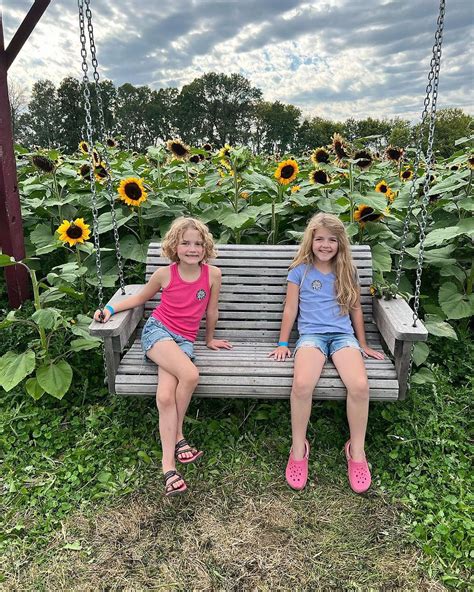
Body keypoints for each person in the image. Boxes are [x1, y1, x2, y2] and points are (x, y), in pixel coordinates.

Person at [94, 217, 232, 497]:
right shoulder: (165, 274)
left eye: (197, 244)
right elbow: (138, 299)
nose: (192, 249)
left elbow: (211, 311)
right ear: (174, 246)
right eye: (185, 243)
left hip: (184, 340)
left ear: (205, 247)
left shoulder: (213, 274)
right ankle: (178, 438)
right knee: (191, 375)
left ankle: (169, 467)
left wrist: (208, 339)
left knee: (166, 397)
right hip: (158, 333)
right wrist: (109, 308)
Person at [268, 212, 384, 494]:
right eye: (319, 239)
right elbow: (290, 309)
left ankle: (356, 452)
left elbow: (356, 308)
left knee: (358, 385)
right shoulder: (300, 271)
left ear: (340, 243)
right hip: (312, 337)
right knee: (302, 385)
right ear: (311, 240)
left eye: (332, 240)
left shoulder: (347, 270)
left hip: (343, 337)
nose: (325, 245)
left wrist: (363, 343)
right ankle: (299, 449)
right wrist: (283, 343)